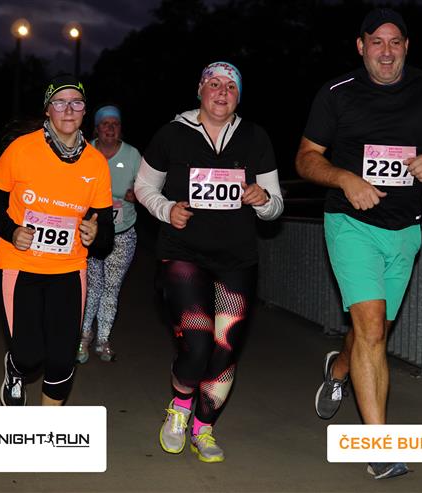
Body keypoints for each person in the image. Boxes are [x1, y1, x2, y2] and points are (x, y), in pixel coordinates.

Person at [295, 8, 422, 479]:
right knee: (371, 330)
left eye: (395, 42)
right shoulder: (337, 93)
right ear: (361, 46)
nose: (386, 52)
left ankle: (338, 369)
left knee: (374, 331)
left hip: (405, 228)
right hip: (350, 223)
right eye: (377, 42)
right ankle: (379, 448)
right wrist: (345, 178)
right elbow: (306, 158)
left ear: (406, 47)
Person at [135, 61, 283, 462]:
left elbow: (275, 204)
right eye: (214, 84)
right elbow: (144, 186)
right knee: (197, 345)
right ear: (200, 90)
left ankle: (204, 428)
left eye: (230, 87)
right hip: (183, 254)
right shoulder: (171, 134)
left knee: (226, 347)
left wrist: (264, 201)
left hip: (236, 259)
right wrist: (167, 210)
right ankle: (180, 407)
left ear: (239, 97)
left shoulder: (255, 137)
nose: (222, 92)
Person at [0, 74, 113, 406]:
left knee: (61, 359)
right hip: (20, 265)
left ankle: (44, 430)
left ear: (85, 110)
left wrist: (97, 234)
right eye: (60, 102)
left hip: (69, 269)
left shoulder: (96, 163)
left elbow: (106, 231)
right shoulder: (21, 149)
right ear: (47, 110)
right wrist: (12, 231)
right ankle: (15, 368)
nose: (68, 109)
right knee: (29, 356)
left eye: (76, 103)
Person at [76, 104, 142, 363]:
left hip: (123, 233)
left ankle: (103, 339)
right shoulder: (85, 151)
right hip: (91, 233)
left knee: (111, 288)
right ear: (96, 128)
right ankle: (84, 336)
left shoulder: (132, 155)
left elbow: (147, 187)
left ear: (120, 129)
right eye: (106, 124)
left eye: (115, 124)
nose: (110, 129)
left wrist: (137, 195)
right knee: (93, 286)